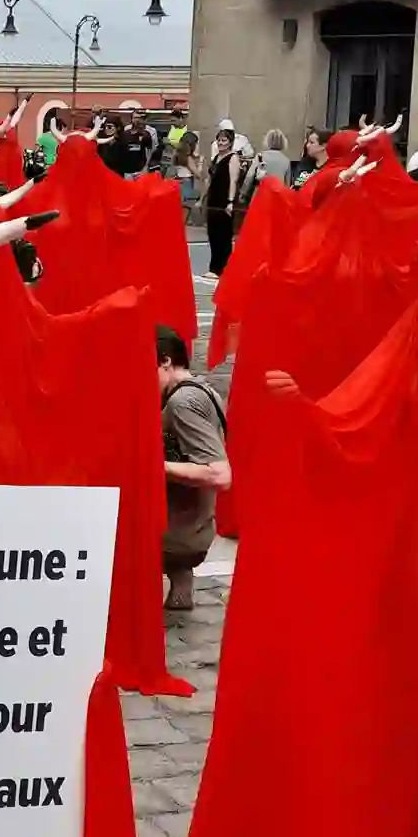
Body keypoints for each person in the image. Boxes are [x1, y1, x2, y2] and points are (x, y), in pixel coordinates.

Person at [157, 325, 229, 612]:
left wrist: (151, 465)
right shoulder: (203, 389)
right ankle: (179, 591)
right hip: (197, 526)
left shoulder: (182, 402)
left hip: (180, 534)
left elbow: (219, 474)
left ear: (165, 361)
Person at [202, 122, 251, 277]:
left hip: (224, 200)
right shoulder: (216, 157)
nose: (221, 143)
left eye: (224, 140)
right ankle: (214, 266)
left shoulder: (233, 158)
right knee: (213, 233)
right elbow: (209, 179)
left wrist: (230, 202)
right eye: (219, 140)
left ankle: (222, 267)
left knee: (223, 234)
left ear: (230, 142)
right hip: (213, 198)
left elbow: (233, 181)